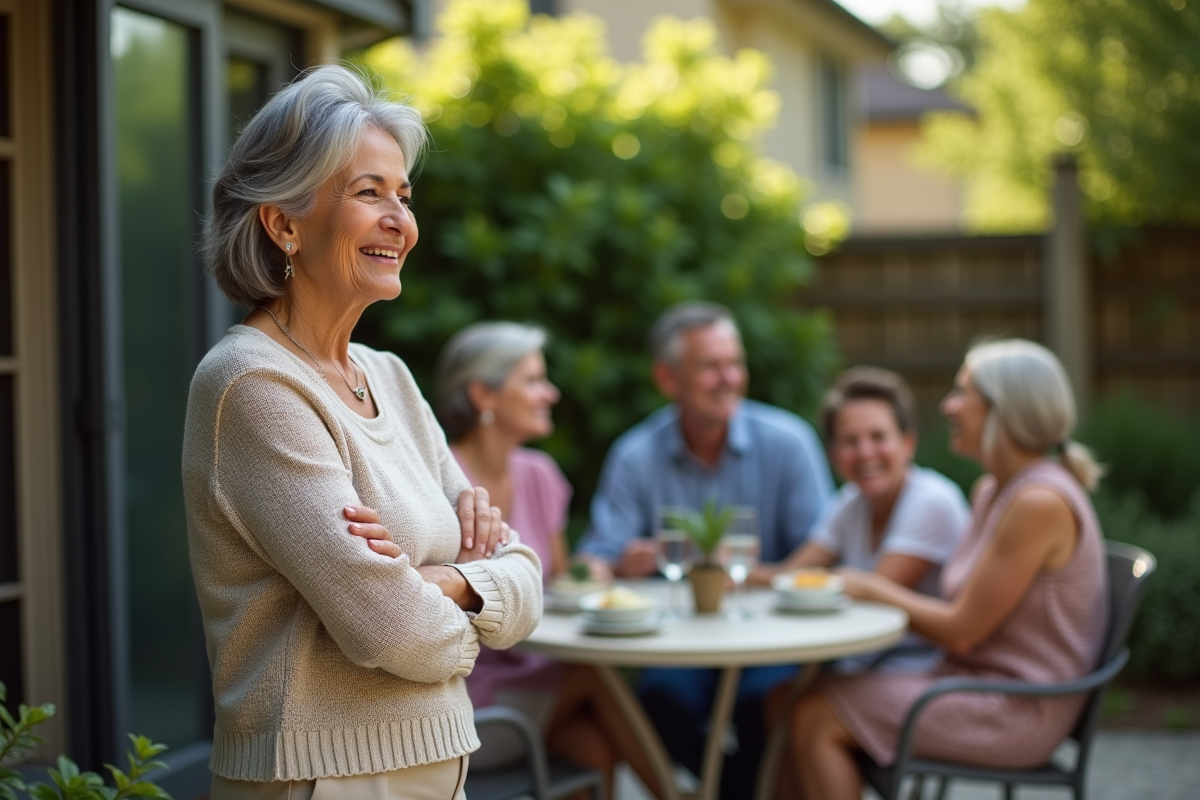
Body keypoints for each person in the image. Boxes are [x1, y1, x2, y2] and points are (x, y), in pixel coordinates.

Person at [183, 65, 542, 800]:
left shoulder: (391, 379)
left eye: (403, 195)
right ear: (284, 223)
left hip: (438, 763)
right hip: (325, 780)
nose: (399, 219)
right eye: (367, 192)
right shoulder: (253, 386)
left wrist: (442, 583)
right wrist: (477, 591)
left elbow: (528, 578)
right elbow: (394, 632)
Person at [785, 339, 1109, 800]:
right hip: (967, 683)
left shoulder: (1039, 502)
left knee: (814, 716)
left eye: (962, 392)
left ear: (1002, 409)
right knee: (799, 699)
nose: (948, 405)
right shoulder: (994, 490)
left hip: (1018, 709)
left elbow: (962, 632)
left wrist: (869, 587)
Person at [576, 301, 834, 798]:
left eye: (734, 363)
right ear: (667, 378)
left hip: (769, 639)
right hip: (679, 643)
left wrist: (766, 573)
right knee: (658, 697)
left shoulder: (789, 442)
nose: (728, 378)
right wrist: (611, 565)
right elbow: (598, 556)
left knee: (766, 702)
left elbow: (822, 554)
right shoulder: (636, 454)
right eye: (710, 366)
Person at [432, 321, 661, 798]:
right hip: (471, 704)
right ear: (484, 395)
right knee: (591, 674)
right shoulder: (440, 481)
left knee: (593, 747)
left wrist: (607, 569)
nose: (550, 393)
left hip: (537, 682)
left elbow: (558, 581)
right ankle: (678, 794)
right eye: (533, 380)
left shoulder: (539, 473)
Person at [752, 366, 970, 672]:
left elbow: (870, 597)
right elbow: (792, 574)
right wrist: (725, 570)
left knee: (784, 697)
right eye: (850, 441)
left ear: (907, 443)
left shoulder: (931, 501)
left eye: (878, 437)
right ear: (833, 454)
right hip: (866, 660)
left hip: (919, 667)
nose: (864, 452)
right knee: (772, 693)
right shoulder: (850, 502)